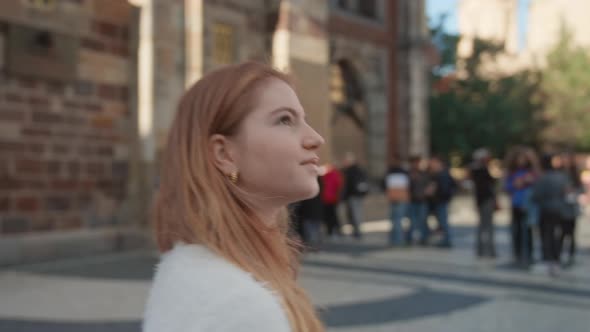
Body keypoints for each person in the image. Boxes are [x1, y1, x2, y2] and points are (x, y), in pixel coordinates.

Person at [143, 62, 325, 332]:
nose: (316, 138)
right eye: (285, 120)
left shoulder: (200, 273)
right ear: (224, 154)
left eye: (304, 119)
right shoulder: (237, 304)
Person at [532, 154, 571, 276]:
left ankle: (548, 259)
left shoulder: (543, 178)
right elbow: (567, 192)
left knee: (546, 235)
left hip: (546, 209)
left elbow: (536, 195)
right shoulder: (562, 177)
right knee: (556, 234)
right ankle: (556, 259)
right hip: (560, 209)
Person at [504, 146, 540, 266]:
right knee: (517, 230)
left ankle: (528, 254)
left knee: (528, 230)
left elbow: (538, 185)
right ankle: (518, 254)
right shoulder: (512, 173)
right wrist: (515, 184)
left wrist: (529, 181)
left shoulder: (533, 173)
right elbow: (507, 187)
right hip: (516, 204)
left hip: (529, 205)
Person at [470, 148, 497, 258]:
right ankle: (488, 250)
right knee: (487, 226)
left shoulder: (477, 171)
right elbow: (488, 187)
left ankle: (482, 250)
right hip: (485, 200)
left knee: (483, 226)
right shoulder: (481, 171)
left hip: (482, 200)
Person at [428, 155, 457, 247]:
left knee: (443, 221)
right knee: (441, 222)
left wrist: (438, 193)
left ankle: (446, 240)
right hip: (439, 201)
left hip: (441, 200)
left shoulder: (443, 174)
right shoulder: (438, 174)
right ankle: (445, 240)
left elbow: (447, 188)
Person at [341, 152, 369, 239]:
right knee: (352, 214)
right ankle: (356, 231)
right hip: (354, 195)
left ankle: (357, 232)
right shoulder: (354, 170)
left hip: (354, 195)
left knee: (355, 214)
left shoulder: (352, 171)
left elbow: (348, 185)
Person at [384, 155, 410, 246]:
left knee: (396, 220)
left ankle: (397, 240)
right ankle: (396, 239)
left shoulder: (392, 172)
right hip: (398, 197)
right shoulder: (402, 172)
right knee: (396, 220)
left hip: (398, 197)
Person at [407, 155, 431, 245]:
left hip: (422, 200)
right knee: (412, 221)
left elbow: (429, 185)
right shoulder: (409, 174)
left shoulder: (424, 174)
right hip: (412, 200)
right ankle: (409, 238)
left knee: (422, 220)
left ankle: (424, 238)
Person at [321, 163, 344, 238]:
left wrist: (337, 197)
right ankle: (331, 231)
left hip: (331, 199)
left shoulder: (333, 175)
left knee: (333, 216)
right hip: (327, 200)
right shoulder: (326, 176)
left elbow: (338, 187)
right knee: (330, 216)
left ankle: (336, 230)